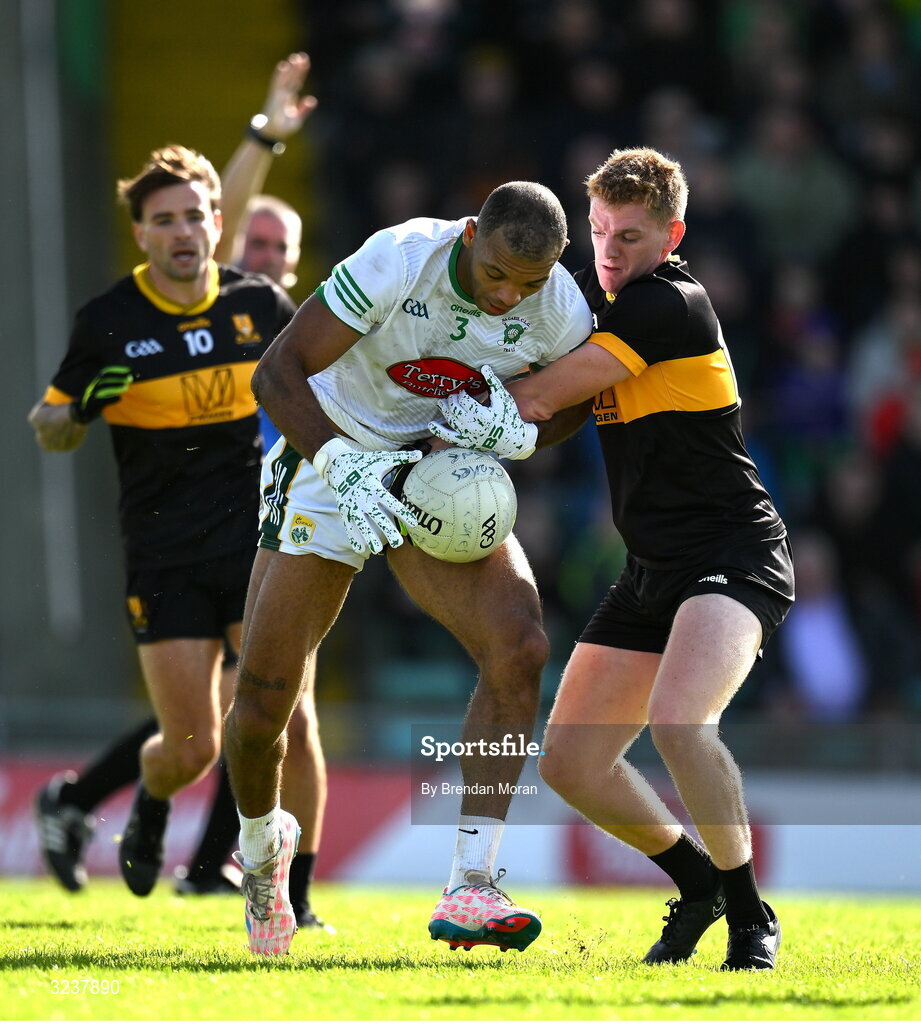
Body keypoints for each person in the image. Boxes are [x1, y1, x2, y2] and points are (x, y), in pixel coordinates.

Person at [221, 181, 593, 955]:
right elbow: (276, 374)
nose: (505, 298)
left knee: (520, 647)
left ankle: (472, 884)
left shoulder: (557, 306)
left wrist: (521, 430)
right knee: (261, 710)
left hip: (437, 472)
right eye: (495, 274)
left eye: (526, 284)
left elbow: (576, 405)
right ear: (467, 236)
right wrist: (341, 463)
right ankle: (260, 854)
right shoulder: (398, 259)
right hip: (329, 453)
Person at [31, 56, 329, 927]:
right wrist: (79, 407)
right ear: (142, 235)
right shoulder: (108, 323)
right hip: (159, 548)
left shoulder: (256, 304)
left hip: (252, 542)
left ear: (215, 224)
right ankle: (151, 801)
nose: (184, 229)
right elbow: (46, 426)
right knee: (190, 747)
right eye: (164, 220)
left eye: (196, 214)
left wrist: (264, 134)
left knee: (291, 718)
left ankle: (291, 897)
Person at [509, 148, 794, 971]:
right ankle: (696, 883)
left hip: (733, 556)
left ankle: (748, 917)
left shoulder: (667, 303)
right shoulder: (605, 311)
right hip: (652, 569)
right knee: (567, 762)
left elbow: (532, 400)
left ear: (672, 234)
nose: (608, 250)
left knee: (678, 722)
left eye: (629, 235)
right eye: (597, 230)